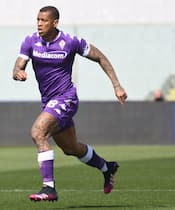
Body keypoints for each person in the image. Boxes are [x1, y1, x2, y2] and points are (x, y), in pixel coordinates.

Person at [12, 6, 127, 202]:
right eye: (37, 20)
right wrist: (18, 73)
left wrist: (117, 85)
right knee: (71, 148)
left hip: (66, 98)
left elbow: (100, 57)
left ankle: (49, 188)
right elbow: (18, 64)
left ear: (55, 22)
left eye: (44, 20)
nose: (39, 24)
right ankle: (107, 168)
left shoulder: (70, 42)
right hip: (49, 102)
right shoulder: (30, 41)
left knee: (38, 133)